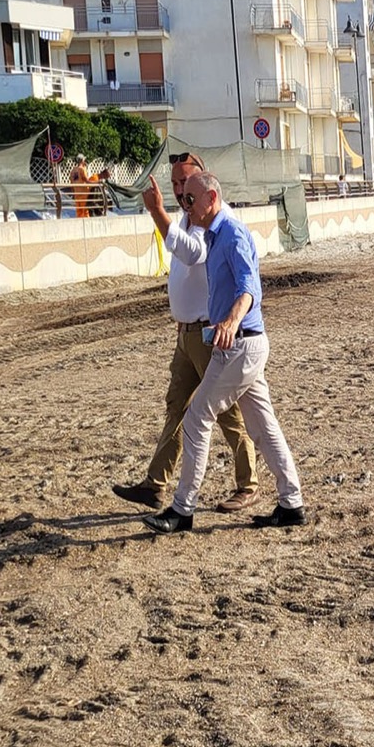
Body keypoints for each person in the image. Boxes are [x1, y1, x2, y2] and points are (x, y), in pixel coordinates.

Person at [141, 171, 307, 534]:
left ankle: (182, 510)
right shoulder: (215, 236)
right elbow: (189, 251)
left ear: (211, 199)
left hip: (241, 343)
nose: (185, 206)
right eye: (182, 200)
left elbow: (249, 287)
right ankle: (291, 503)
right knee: (263, 426)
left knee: (197, 417)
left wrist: (231, 320)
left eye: (190, 200)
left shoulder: (231, 233)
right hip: (243, 344)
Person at [114, 154, 260, 513]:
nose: (181, 191)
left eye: (186, 184)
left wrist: (157, 214)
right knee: (175, 407)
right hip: (187, 334)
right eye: (177, 183)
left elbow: (192, 253)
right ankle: (156, 483)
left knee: (226, 414)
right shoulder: (188, 218)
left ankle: (248, 483)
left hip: (209, 334)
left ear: (205, 186)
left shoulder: (210, 224)